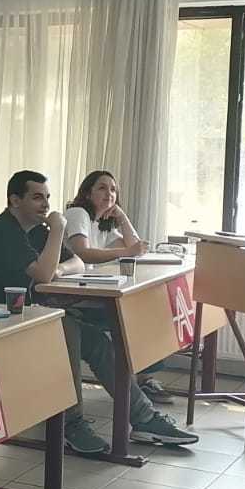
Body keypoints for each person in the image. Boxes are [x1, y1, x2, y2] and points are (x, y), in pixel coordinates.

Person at [0, 171, 198, 452]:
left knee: (96, 341)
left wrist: (59, 269)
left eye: (47, 197)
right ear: (15, 200)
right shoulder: (4, 231)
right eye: (37, 197)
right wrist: (58, 231)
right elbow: (43, 274)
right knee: (68, 330)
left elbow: (76, 262)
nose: (45, 204)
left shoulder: (36, 230)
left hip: (27, 317)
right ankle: (70, 424)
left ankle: (144, 418)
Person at [64, 169, 173, 403]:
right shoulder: (77, 213)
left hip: (92, 291)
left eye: (113, 190)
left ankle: (142, 378)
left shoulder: (100, 224)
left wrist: (122, 217)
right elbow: (83, 253)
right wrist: (126, 252)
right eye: (102, 188)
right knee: (136, 315)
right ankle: (137, 381)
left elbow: (137, 248)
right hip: (70, 296)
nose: (109, 193)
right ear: (87, 193)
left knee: (153, 310)